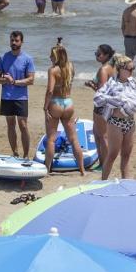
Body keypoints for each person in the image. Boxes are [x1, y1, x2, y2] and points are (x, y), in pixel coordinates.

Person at [93, 54, 136, 179]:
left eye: (133, 69)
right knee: (112, 155)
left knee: (126, 155)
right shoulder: (112, 83)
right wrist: (117, 101)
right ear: (121, 69)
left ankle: (125, 182)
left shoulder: (132, 83)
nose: (132, 72)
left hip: (130, 122)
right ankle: (103, 181)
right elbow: (98, 98)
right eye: (130, 69)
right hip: (116, 122)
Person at [43, 39, 84, 176]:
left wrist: (45, 108)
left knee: (51, 139)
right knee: (73, 139)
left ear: (56, 57)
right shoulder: (71, 66)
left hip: (56, 103)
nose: (49, 57)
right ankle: (82, 170)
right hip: (68, 102)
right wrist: (60, 47)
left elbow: (50, 90)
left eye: (51, 55)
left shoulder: (53, 70)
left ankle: (47, 169)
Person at [0, 31, 35, 158]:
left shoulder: (27, 59)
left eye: (16, 40)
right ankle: (15, 153)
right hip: (6, 96)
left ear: (21, 42)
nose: (14, 43)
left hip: (21, 97)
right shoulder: (3, 57)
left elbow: (31, 80)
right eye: (12, 40)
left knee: (23, 126)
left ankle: (26, 155)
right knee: (10, 125)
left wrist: (15, 82)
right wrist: (5, 80)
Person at [85, 44, 116, 165]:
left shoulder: (103, 69)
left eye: (99, 54)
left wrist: (91, 85)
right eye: (95, 53)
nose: (96, 56)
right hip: (110, 104)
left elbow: (102, 91)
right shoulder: (112, 67)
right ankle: (103, 162)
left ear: (106, 55)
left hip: (102, 105)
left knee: (101, 135)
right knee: (99, 133)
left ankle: (105, 163)